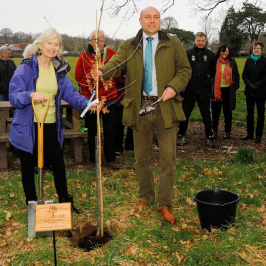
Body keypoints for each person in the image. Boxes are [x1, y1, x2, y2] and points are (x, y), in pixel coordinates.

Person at [98, 6, 191, 224]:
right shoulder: (130, 45)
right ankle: (145, 197)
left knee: (168, 159)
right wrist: (102, 71)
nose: (152, 21)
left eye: (156, 17)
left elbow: (185, 70)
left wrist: (174, 87)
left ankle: (164, 203)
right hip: (139, 108)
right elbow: (116, 63)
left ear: (160, 21)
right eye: (147, 17)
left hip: (165, 107)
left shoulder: (173, 43)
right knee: (141, 159)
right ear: (140, 21)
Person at [8, 28, 96, 212]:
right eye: (49, 43)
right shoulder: (25, 68)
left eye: (56, 45)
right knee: (28, 164)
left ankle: (65, 201)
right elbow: (14, 96)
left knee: (58, 162)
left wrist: (88, 104)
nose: (53, 47)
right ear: (40, 45)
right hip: (28, 126)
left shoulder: (58, 69)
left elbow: (71, 94)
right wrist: (30, 95)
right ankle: (32, 205)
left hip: (51, 125)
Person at [75, 30, 121, 169]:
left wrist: (108, 87)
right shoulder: (83, 56)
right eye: (95, 40)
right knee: (93, 131)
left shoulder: (111, 54)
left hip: (109, 98)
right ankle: (94, 159)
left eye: (101, 40)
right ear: (90, 41)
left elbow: (117, 74)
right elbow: (78, 77)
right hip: (91, 100)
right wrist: (88, 96)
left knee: (110, 129)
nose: (99, 43)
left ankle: (110, 158)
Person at [177, 32, 216, 147]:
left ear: (205, 41)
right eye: (198, 40)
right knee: (185, 114)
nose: (200, 43)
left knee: (206, 115)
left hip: (204, 90)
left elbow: (213, 71)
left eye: (202, 41)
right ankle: (181, 135)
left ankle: (209, 136)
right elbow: (183, 70)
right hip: (190, 90)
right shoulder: (188, 53)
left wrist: (208, 80)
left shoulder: (210, 54)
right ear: (195, 41)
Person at [241, 41, 266, 143]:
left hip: (261, 92)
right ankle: (249, 133)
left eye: (258, 48)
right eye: (254, 48)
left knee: (260, 114)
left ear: (261, 49)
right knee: (249, 114)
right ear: (252, 49)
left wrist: (257, 85)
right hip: (249, 92)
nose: (256, 50)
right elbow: (244, 74)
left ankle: (258, 135)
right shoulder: (248, 61)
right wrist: (249, 84)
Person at [211, 45, 240, 139]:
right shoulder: (214, 62)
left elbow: (237, 75)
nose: (224, 53)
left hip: (228, 91)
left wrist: (235, 87)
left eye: (226, 51)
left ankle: (227, 132)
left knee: (228, 112)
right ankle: (214, 131)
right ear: (219, 52)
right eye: (223, 51)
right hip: (217, 91)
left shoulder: (232, 62)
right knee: (215, 112)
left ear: (229, 52)